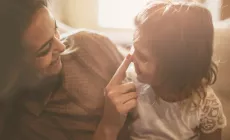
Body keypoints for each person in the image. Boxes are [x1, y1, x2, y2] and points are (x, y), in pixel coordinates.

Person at [0, 0, 135, 140]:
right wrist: (108, 127)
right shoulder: (23, 126)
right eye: (45, 49)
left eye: (55, 30)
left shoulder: (88, 43)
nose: (62, 47)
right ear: (13, 68)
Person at [107, 1, 227, 140]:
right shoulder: (130, 87)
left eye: (143, 56)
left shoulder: (205, 103)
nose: (130, 58)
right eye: (133, 47)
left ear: (177, 69)